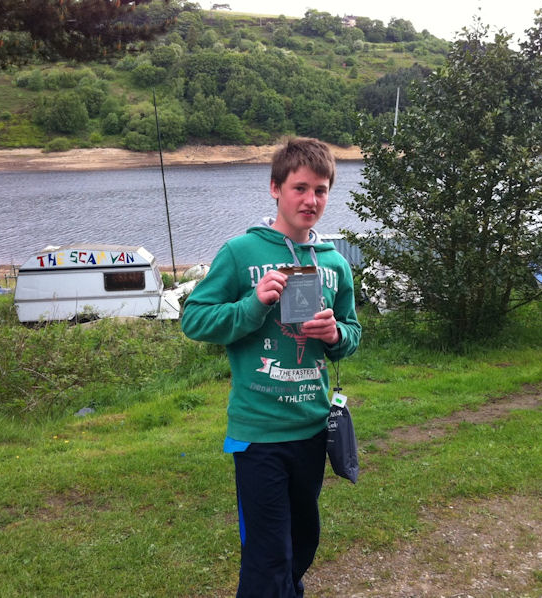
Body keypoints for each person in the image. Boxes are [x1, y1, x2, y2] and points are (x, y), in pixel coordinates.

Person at [181, 137, 361, 597]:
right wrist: (252, 306)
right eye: (300, 188)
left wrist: (334, 335)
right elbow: (196, 319)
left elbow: (352, 334)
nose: (311, 200)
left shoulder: (335, 263)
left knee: (301, 545)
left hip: (312, 429)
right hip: (258, 434)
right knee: (267, 556)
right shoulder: (241, 253)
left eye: (321, 190)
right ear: (275, 189)